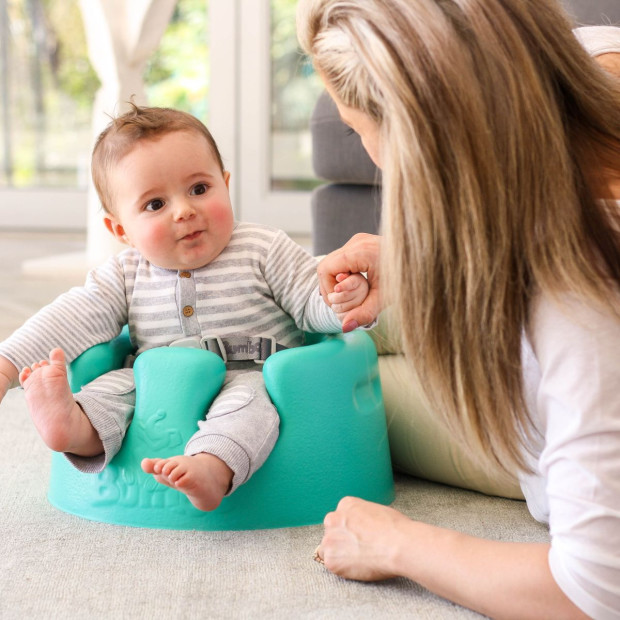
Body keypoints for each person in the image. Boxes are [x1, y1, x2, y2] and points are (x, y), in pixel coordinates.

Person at [297, 0, 620, 618]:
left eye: (358, 129)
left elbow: (594, 591)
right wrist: (418, 259)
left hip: (553, 432)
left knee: (331, 386)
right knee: (340, 341)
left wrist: (396, 542)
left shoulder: (582, 300)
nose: (370, 157)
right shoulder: (585, 63)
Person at [0, 105, 369, 512]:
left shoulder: (262, 248)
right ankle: (72, 426)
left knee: (249, 410)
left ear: (225, 185)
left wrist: (339, 299)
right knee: (107, 392)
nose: (184, 210)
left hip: (250, 375)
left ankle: (211, 468)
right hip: (152, 381)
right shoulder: (126, 273)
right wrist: (7, 363)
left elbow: (308, 299)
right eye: (155, 204)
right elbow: (72, 316)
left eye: (199, 189)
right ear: (121, 230)